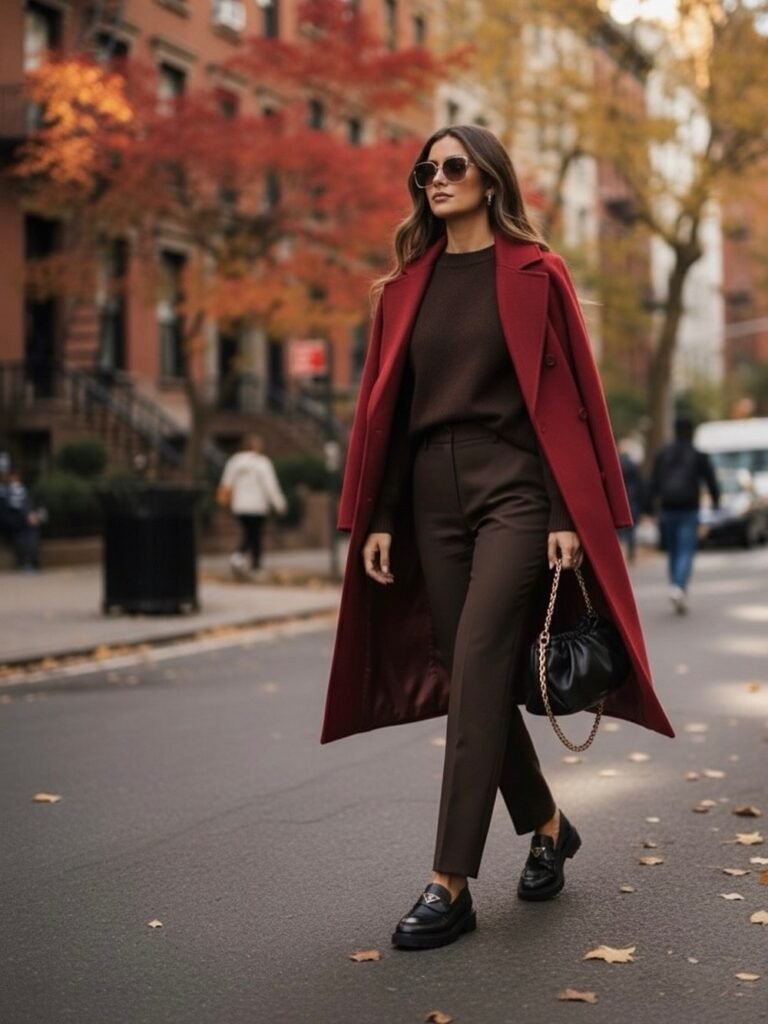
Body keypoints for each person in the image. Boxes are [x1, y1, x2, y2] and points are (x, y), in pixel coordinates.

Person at [321, 124, 673, 951]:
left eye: (453, 167)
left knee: (479, 661)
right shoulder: (404, 285)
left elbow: (572, 400)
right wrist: (374, 516)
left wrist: (563, 512)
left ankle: (450, 882)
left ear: (488, 180)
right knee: (471, 674)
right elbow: (387, 413)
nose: (435, 179)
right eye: (426, 169)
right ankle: (548, 825)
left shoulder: (536, 273)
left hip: (514, 488)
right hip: (428, 499)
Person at [647, 416, 720, 614]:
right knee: (686, 549)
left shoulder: (663, 454)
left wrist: (649, 508)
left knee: (673, 551)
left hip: (667, 508)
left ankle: (676, 587)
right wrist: (715, 503)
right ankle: (679, 587)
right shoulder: (697, 455)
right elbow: (711, 481)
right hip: (689, 509)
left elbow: (653, 482)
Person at [217, 434, 287, 578]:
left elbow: (226, 483)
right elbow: (270, 486)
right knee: (255, 536)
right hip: (257, 507)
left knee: (249, 534)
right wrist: (280, 504)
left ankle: (241, 559)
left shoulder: (234, 462)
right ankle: (252, 564)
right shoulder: (263, 463)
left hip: (240, 506)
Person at [0, 469, 43, 571]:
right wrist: (26, 517)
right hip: (15, 523)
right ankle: (27, 562)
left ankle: (32, 562)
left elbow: (31, 505)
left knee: (32, 535)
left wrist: (35, 516)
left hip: (27, 521)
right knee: (22, 537)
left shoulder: (24, 490)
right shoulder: (5, 492)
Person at [617, 439, 646, 564]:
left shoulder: (616, 464)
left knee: (620, 530)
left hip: (619, 501)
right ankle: (631, 554)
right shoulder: (633, 466)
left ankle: (621, 554)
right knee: (631, 530)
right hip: (632, 500)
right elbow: (640, 485)